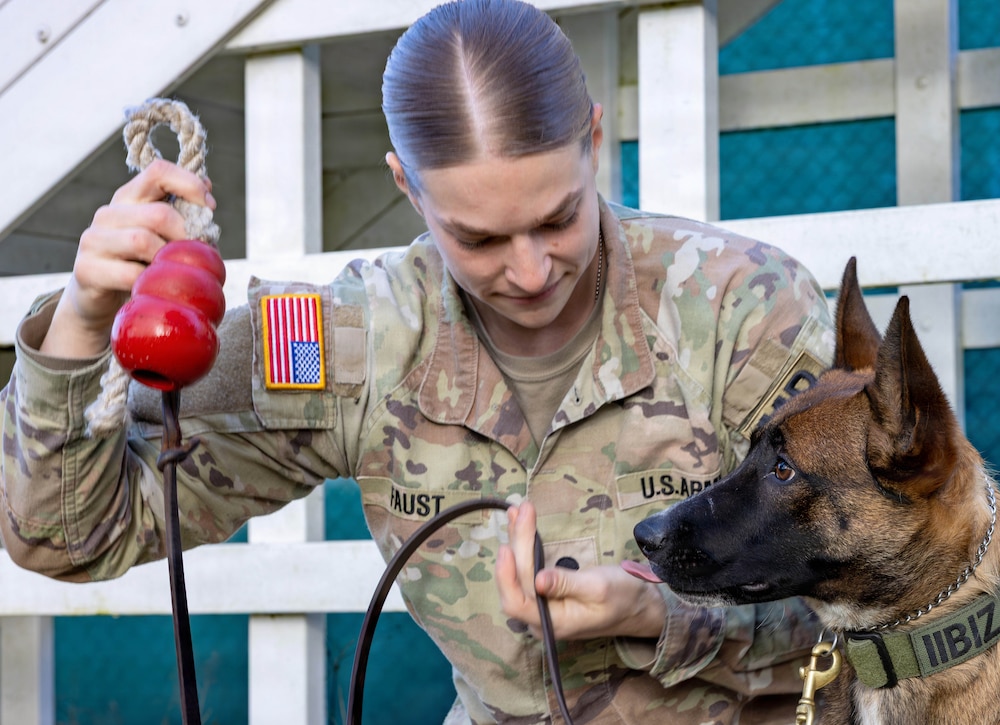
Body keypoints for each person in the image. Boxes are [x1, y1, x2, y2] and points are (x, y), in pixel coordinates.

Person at [0, 0, 835, 722]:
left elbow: (909, 595)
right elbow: (68, 535)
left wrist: (662, 614)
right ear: (407, 185)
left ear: (592, 136)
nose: (532, 270)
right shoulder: (356, 347)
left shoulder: (745, 311)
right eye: (477, 238)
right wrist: (80, 323)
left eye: (557, 218)